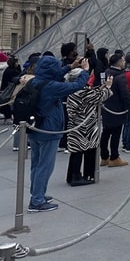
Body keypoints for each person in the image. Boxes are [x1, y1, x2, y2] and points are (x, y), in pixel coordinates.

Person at [27, 54, 90, 212]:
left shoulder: (34, 81)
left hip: (34, 127)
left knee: (36, 164)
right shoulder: (52, 87)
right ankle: (37, 201)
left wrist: (70, 66)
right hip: (49, 129)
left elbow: (53, 74)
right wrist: (84, 71)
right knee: (45, 166)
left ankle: (36, 193)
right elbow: (76, 86)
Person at [65, 68, 113, 186]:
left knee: (76, 150)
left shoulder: (72, 88)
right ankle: (83, 175)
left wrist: (101, 88)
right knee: (85, 149)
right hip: (85, 125)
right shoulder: (82, 91)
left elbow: (92, 94)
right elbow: (100, 97)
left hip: (76, 123)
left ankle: (72, 175)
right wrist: (107, 87)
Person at [101, 53, 130, 168]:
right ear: (119, 62)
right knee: (116, 133)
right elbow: (125, 95)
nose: (124, 62)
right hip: (117, 109)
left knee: (105, 132)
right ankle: (114, 157)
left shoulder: (105, 73)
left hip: (106, 107)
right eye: (123, 61)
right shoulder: (120, 76)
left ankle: (104, 157)